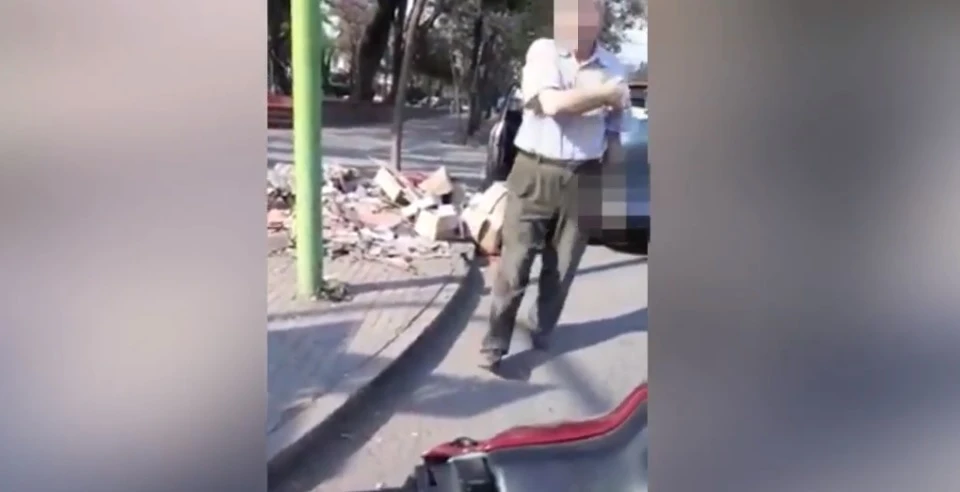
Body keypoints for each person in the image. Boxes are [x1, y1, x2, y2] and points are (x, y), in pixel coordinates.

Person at [480, 0, 630, 369]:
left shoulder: (613, 67)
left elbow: (614, 132)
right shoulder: (544, 52)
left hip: (585, 176)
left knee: (562, 267)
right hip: (535, 171)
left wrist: (611, 184)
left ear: (600, 18)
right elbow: (552, 105)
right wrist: (605, 96)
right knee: (515, 263)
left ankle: (542, 326)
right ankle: (495, 341)